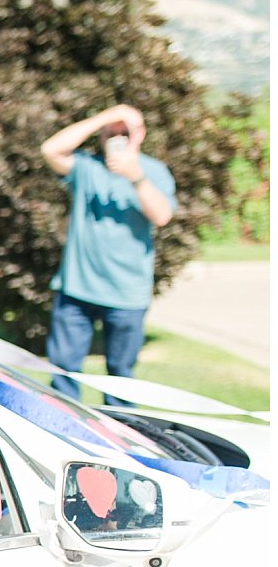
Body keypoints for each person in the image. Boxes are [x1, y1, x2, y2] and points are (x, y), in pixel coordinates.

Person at [39, 104, 178, 405]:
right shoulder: (87, 167)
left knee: (120, 377)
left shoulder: (153, 171)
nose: (117, 137)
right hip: (77, 289)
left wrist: (135, 177)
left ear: (139, 135)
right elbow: (51, 149)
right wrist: (105, 116)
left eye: (124, 132)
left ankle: (121, 439)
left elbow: (162, 215)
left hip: (127, 295)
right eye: (110, 133)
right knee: (62, 374)